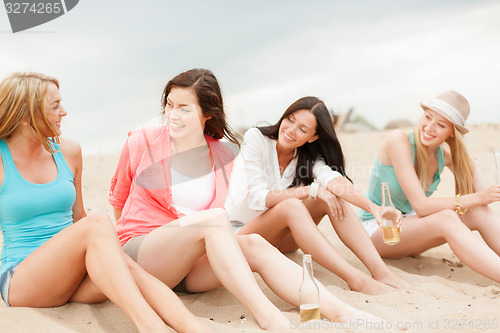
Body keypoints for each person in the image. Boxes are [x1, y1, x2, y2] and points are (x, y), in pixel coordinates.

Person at [109, 68, 391, 330]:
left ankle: (342, 312)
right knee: (215, 221)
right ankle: (269, 317)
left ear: (207, 113)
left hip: (188, 265)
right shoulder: (141, 142)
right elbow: (118, 200)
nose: (173, 114)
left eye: (184, 108)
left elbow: (330, 178)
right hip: (143, 251)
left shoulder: (223, 154)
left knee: (254, 244)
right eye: (170, 105)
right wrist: (129, 253)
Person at [0, 72, 212, 333]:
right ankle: (150, 327)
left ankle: (196, 328)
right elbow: (89, 225)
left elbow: (79, 217)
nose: (64, 112)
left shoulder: (68, 151)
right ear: (25, 116)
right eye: (55, 106)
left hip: (73, 273)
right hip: (23, 280)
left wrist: (112, 254)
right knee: (99, 223)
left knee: (133, 271)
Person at [225, 96, 408, 295]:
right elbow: (257, 198)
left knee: (328, 197)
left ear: (313, 138)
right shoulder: (256, 138)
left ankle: (380, 271)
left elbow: (334, 181)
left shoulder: (307, 156)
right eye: (290, 120)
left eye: (303, 129)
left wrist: (373, 208)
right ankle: (356, 279)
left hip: (280, 241)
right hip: (240, 233)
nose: (290, 130)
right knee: (294, 204)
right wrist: (310, 189)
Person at [358, 90, 500, 283]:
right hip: (379, 228)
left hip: (410, 226)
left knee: (479, 213)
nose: (429, 127)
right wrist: (478, 198)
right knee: (447, 218)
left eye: (440, 124)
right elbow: (421, 206)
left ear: (452, 133)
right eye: (428, 117)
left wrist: (462, 150)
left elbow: (483, 198)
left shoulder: (444, 154)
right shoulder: (398, 140)